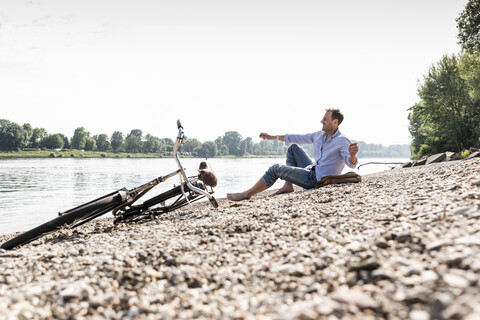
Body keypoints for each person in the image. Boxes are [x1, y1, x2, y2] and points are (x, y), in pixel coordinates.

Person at [226, 108, 359, 201]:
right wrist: (272, 137)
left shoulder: (342, 141)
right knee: (293, 148)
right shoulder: (319, 135)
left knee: (276, 169)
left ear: (335, 122)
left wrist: (352, 155)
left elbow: (351, 164)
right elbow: (297, 137)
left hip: (317, 180)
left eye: (325, 119)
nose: (321, 121)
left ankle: (247, 194)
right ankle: (288, 186)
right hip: (312, 169)